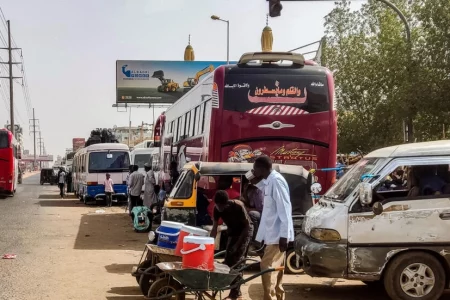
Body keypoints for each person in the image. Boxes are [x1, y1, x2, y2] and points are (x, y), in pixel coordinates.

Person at [251, 156, 294, 300]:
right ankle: (278, 296)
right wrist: (254, 179)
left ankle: (269, 297)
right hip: (271, 233)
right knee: (277, 268)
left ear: (262, 169)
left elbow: (285, 209)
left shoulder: (276, 181)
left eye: (255, 168)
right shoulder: (269, 181)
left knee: (267, 266)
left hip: (277, 234)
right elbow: (262, 187)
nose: (253, 170)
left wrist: (284, 235)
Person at [210, 190, 253, 300]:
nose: (219, 208)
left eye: (221, 206)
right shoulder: (216, 209)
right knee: (228, 261)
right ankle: (233, 290)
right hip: (232, 231)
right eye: (217, 205)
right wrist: (209, 245)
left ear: (226, 203)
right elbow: (214, 228)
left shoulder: (238, 206)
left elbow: (247, 226)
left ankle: (236, 293)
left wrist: (237, 245)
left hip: (245, 232)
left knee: (237, 261)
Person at [241, 176, 264, 242]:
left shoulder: (260, 191)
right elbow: (249, 203)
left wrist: (248, 209)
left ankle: (255, 237)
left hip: (263, 213)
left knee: (252, 214)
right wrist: (245, 191)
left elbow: (261, 209)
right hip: (254, 209)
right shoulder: (252, 191)